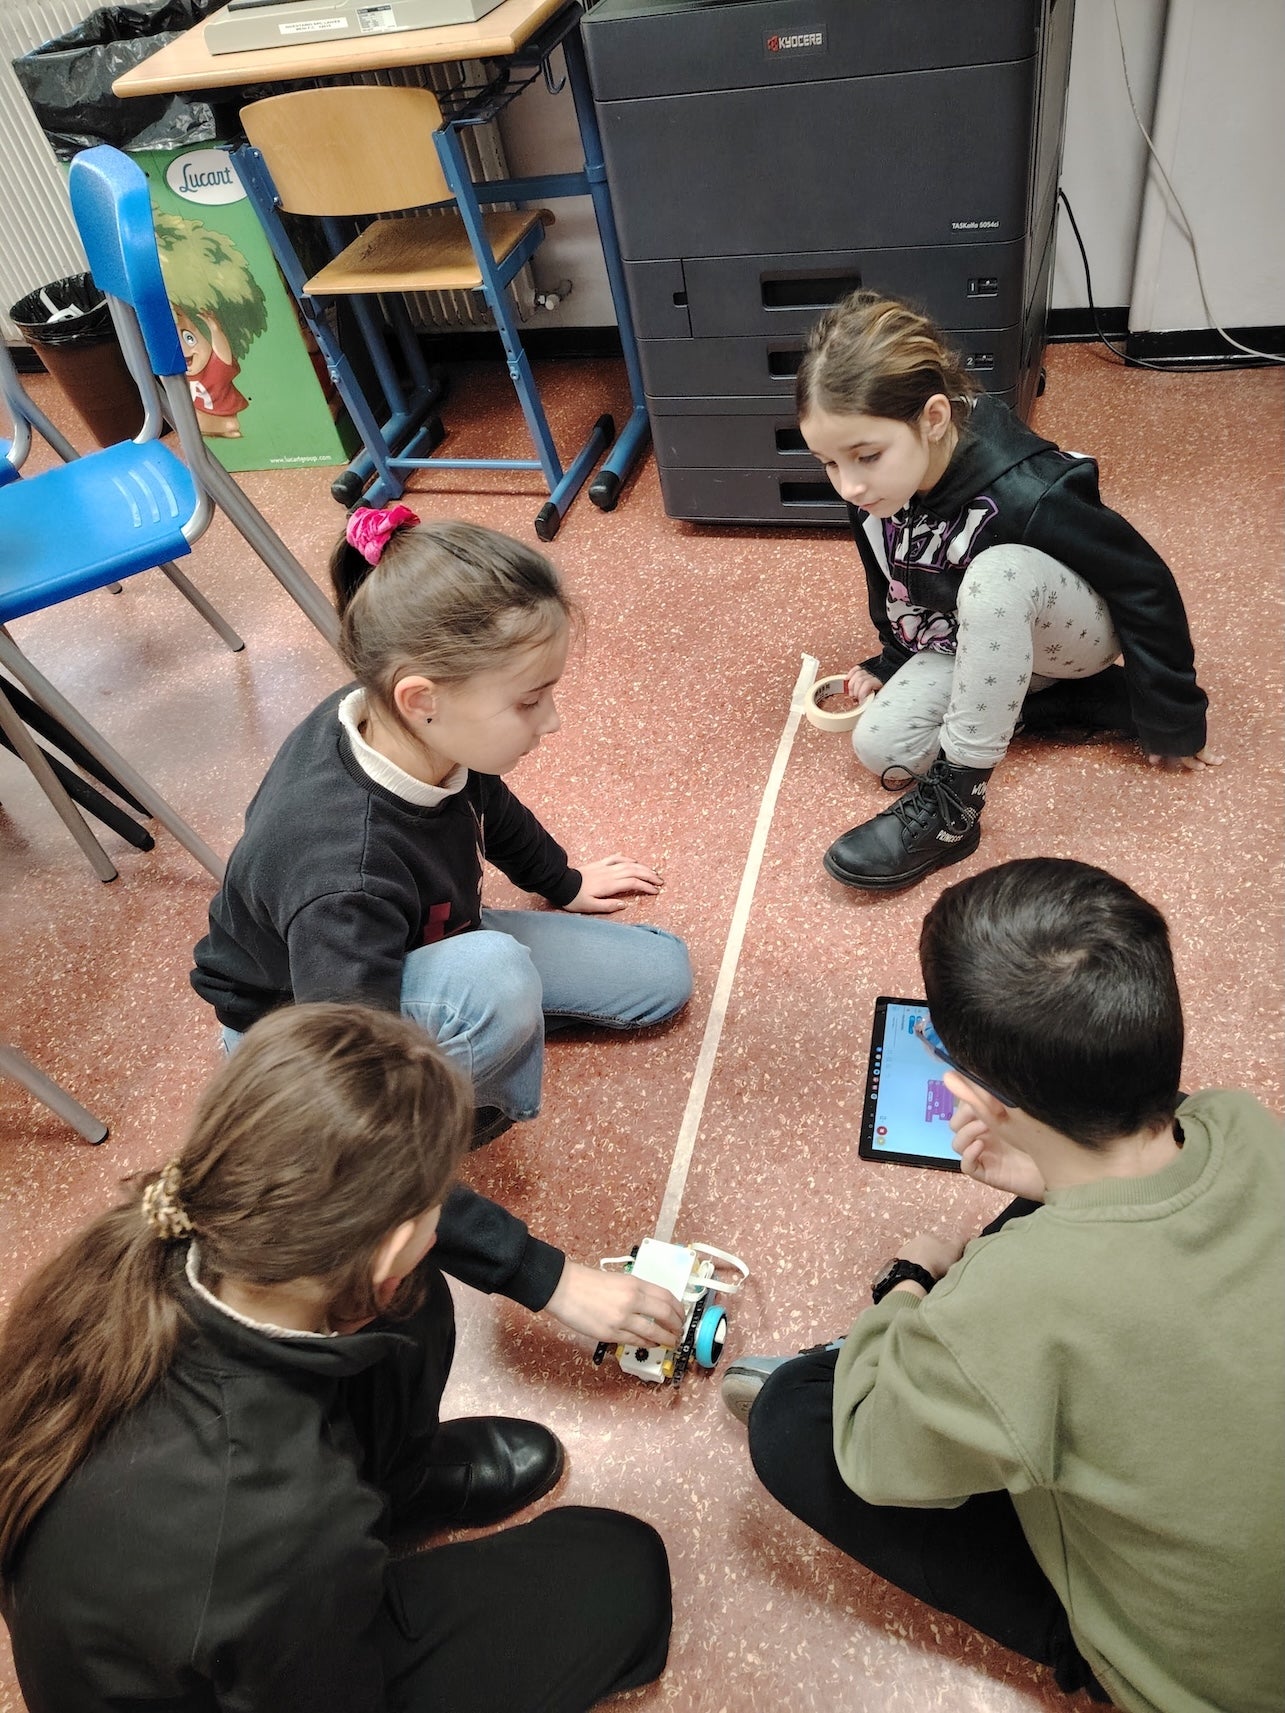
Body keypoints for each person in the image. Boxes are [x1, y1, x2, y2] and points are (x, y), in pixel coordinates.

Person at [722, 859, 1284, 1713]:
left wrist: (907, 1284)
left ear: (965, 1091)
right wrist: (1046, 1177)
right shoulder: (1239, 1121)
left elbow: (876, 1463)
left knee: (796, 1418)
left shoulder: (1005, 1304)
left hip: (1188, 1681)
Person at [0, 1004, 673, 1713]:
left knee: (415, 1308)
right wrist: (334, 1574)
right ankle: (373, 1527)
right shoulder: (280, 1518)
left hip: (215, 1605)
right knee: (621, 1569)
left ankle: (395, 1495)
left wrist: (544, 1276)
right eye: (435, 1207)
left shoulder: (157, 1252)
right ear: (384, 1251)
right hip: (257, 1656)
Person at [192, 507, 692, 1355]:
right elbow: (352, 1103)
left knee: (661, 978)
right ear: (422, 699)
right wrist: (549, 1277)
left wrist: (564, 882)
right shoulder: (339, 875)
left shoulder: (410, 725)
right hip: (297, 1031)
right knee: (495, 981)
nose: (554, 722)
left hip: (418, 946)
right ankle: (461, 1103)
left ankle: (480, 1013)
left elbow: (486, 798)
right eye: (532, 701)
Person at [796, 291, 1218, 891]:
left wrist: (1172, 715)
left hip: (1072, 630)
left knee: (996, 576)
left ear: (933, 418)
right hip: (973, 634)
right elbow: (891, 581)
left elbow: (1143, 584)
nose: (850, 483)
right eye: (829, 463)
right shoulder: (873, 491)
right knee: (884, 746)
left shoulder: (1029, 488)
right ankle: (1072, 704)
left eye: (865, 456)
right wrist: (890, 661)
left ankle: (955, 810)